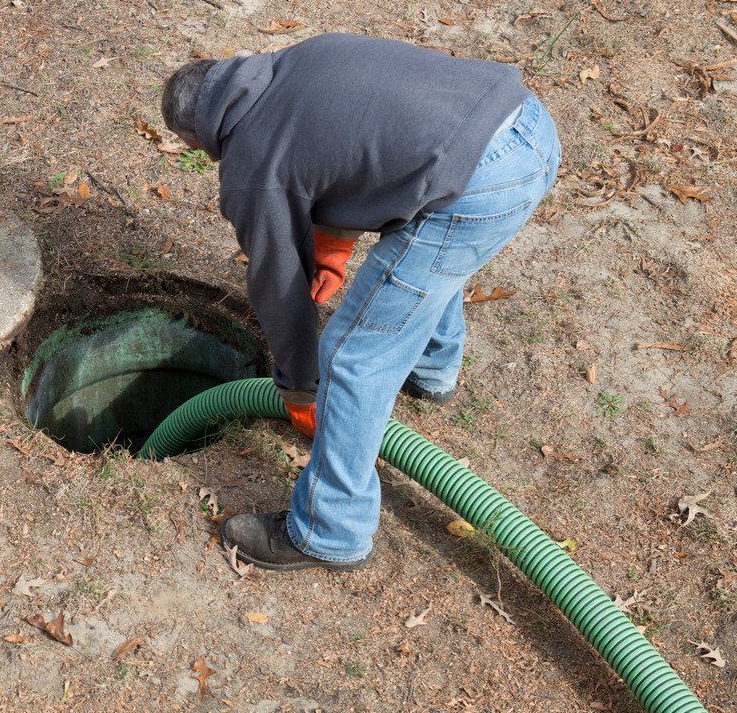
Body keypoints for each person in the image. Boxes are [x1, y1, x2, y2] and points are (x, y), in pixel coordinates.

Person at [160, 33, 560, 571]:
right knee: (431, 263)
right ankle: (431, 372)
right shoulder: (298, 60)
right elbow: (353, 143)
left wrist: (301, 386)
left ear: (197, 137)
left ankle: (330, 530)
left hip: (480, 182)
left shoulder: (249, 165)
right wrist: (331, 248)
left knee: (352, 357)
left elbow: (277, 286)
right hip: (527, 125)